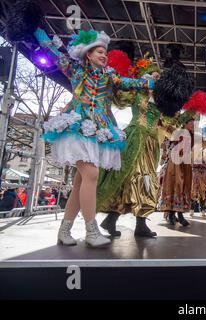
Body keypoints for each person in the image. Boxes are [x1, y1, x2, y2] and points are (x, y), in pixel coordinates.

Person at [34, 27, 154, 247]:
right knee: (91, 174)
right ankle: (91, 232)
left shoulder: (109, 74)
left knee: (81, 182)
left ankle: (65, 230)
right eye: (99, 51)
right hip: (77, 126)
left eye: (105, 52)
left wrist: (146, 82)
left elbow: (126, 83)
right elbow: (55, 55)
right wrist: (39, 34)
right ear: (88, 54)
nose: (103, 55)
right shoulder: (76, 70)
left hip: (99, 127)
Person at [96, 50, 161, 238]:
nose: (156, 78)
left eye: (158, 76)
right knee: (129, 178)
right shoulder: (137, 92)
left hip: (151, 142)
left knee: (147, 180)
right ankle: (113, 219)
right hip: (135, 137)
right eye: (153, 75)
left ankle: (136, 223)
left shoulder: (159, 100)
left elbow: (170, 121)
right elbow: (119, 97)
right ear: (146, 76)